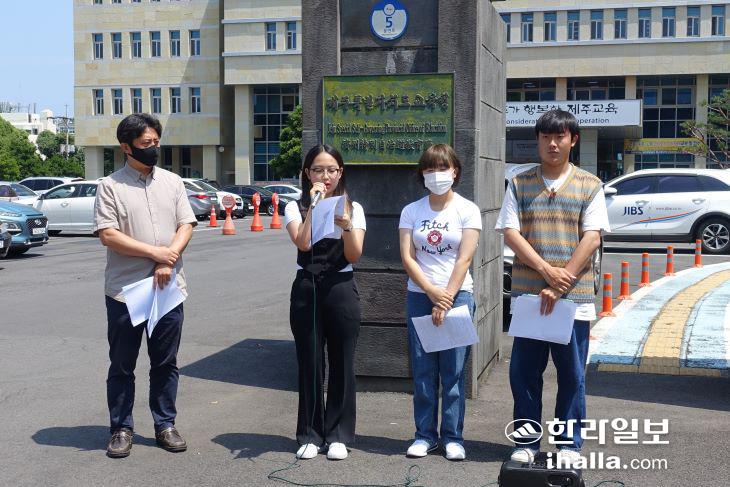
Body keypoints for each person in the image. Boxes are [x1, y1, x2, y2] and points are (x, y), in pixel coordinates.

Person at [495, 109, 609, 465]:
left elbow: (592, 238)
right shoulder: (519, 183)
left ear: (573, 140)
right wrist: (547, 271)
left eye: (560, 136)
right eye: (546, 137)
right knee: (524, 374)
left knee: (572, 375)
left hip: (574, 300)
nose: (552, 144)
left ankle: (568, 445)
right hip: (530, 296)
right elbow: (511, 233)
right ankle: (527, 442)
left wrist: (561, 283)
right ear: (538, 140)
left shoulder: (590, 185)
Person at [94, 113, 197, 458]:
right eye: (145, 143)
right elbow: (109, 235)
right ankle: (121, 429)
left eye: (156, 142)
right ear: (126, 147)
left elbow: (186, 225)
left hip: (167, 289)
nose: (153, 148)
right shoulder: (110, 186)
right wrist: (157, 254)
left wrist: (168, 259)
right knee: (122, 365)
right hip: (126, 292)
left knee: (165, 362)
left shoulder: (173, 182)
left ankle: (165, 424)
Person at [398, 144, 482, 461]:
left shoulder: (467, 209)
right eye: (430, 169)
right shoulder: (411, 211)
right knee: (423, 371)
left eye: (442, 168)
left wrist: (445, 298)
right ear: (422, 173)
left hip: (458, 296)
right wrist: (432, 292)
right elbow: (408, 257)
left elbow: (464, 259)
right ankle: (424, 435)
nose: (436, 175)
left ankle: (452, 437)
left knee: (454, 372)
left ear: (455, 171)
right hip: (420, 296)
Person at [285, 144, 366, 461]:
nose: (325, 176)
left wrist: (346, 225)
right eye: (318, 170)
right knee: (310, 361)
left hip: (341, 287)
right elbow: (303, 242)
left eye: (331, 170)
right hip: (307, 287)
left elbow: (354, 254)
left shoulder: (353, 208)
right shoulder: (295, 207)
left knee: (342, 362)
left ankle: (338, 436)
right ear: (307, 173)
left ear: (340, 172)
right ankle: (310, 434)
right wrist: (314, 208)